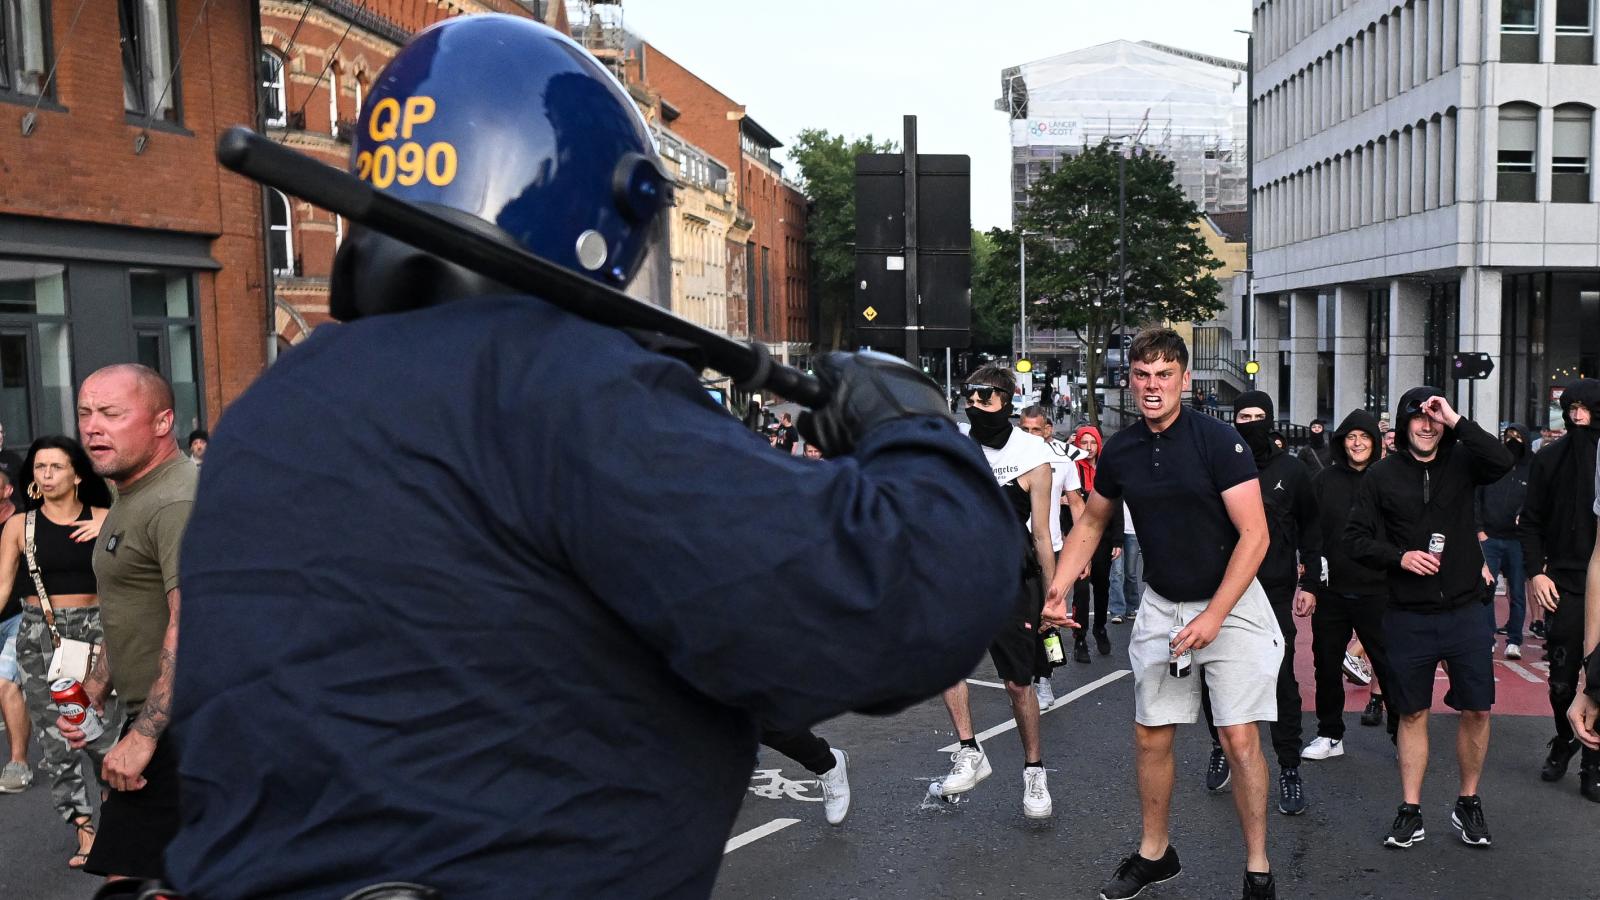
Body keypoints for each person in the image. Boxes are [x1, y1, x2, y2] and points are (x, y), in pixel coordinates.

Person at [164, 17, 1023, 900]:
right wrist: (916, 434)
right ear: (598, 214)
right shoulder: (557, 382)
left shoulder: (271, 412)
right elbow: (880, 609)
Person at [1048, 328, 1281, 900]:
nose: (1152, 386)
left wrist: (1214, 617)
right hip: (1162, 606)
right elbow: (1095, 523)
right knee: (1151, 734)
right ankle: (1156, 854)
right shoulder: (1121, 449)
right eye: (1142, 375)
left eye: (1164, 375)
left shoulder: (1219, 441)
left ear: (1183, 379)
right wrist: (1057, 588)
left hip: (1232, 601)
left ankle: (1257, 867)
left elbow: (1256, 537)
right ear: (1131, 380)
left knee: (1238, 737)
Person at [1344, 387, 1512, 849]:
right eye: (1417, 416)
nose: (1426, 424)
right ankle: (1410, 809)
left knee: (1477, 708)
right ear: (1402, 425)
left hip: (1466, 610)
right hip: (1408, 615)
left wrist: (1457, 419)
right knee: (1412, 711)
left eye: (1434, 416)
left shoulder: (1463, 463)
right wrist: (1399, 557)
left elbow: (1502, 461)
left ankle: (1468, 801)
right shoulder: (1380, 475)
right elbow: (1355, 539)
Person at [58, 366, 196, 882]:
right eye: (85, 414)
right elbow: (138, 607)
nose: (92, 427)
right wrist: (96, 685)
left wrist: (146, 735)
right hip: (161, 715)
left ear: (163, 422)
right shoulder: (132, 494)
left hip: (187, 722)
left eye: (112, 414)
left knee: (130, 879)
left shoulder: (176, 499)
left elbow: (194, 620)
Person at [938, 368, 1063, 818]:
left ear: (1007, 400)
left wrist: (1054, 597)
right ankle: (969, 749)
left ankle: (1034, 771)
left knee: (1017, 684)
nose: (975, 405)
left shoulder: (1033, 455)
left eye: (985, 398)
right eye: (969, 398)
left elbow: (1044, 537)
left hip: (1013, 580)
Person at [1199, 391, 1319, 817]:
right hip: (1225, 587)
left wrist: (1312, 582)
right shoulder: (1219, 464)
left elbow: (1311, 527)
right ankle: (1220, 745)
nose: (1251, 423)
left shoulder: (1292, 469)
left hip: (1275, 589)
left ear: (1271, 420)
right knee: (1214, 676)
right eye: (1243, 416)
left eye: (1258, 416)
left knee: (1282, 681)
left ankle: (1289, 767)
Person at [3, 436, 120, 866]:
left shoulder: (108, 517)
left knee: (102, 732)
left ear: (76, 474)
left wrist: (110, 530)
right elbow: (2, 586)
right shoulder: (20, 526)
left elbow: (137, 572)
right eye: (39, 468)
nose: (46, 475)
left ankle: (116, 822)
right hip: (40, 635)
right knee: (57, 739)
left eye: (55, 467)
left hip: (98, 631)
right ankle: (83, 828)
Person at [1519, 379, 1600, 800]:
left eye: (1586, 408)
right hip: (1564, 583)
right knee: (1561, 681)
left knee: (1599, 678)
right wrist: (1536, 572)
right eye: (1571, 408)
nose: (1577, 415)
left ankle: (1593, 762)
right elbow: (1530, 520)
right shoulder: (1548, 459)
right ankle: (1563, 738)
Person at [1304, 410, 1394, 761]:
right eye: (1350, 437)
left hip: (1380, 589)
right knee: (1325, 664)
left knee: (1390, 665)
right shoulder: (1324, 480)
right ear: (1341, 442)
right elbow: (1310, 532)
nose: (1357, 444)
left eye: (1364, 437)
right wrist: (1309, 580)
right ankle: (1330, 734)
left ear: (1375, 442)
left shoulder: (1388, 479)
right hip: (1332, 590)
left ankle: (1401, 732)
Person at [1018, 405, 1086, 709]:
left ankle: (1044, 678)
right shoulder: (1010, 459)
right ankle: (1027, 675)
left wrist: (1082, 554)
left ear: (1048, 430)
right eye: (1025, 429)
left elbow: (1076, 505)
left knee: (1050, 616)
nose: (1030, 435)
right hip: (1018, 549)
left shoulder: (1063, 461)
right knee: (1022, 618)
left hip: (1053, 549)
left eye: (1036, 429)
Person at [1476, 424, 1532, 660]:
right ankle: (1487, 637)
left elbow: (1536, 500)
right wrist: (1479, 530)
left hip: (1517, 541)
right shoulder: (1490, 466)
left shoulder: (1531, 469)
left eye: (1518, 437)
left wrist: (1524, 515)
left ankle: (1514, 640)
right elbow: (1476, 497)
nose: (1513, 441)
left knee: (1518, 592)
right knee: (1486, 590)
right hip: (1489, 537)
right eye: (1509, 436)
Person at [1069, 424, 1123, 662]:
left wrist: (1118, 540)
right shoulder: (1071, 469)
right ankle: (1080, 639)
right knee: (1081, 590)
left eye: (1093, 443)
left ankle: (1099, 628)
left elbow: (1116, 505)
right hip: (1077, 539)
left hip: (1103, 538)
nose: (1089, 448)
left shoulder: (1106, 469)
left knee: (1102, 588)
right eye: (1084, 443)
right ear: (1077, 444)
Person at [1111, 503, 1143, 624]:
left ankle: (1131, 607)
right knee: (1116, 572)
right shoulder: (1116, 486)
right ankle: (1117, 610)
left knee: (1131, 573)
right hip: (1114, 531)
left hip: (1133, 530)